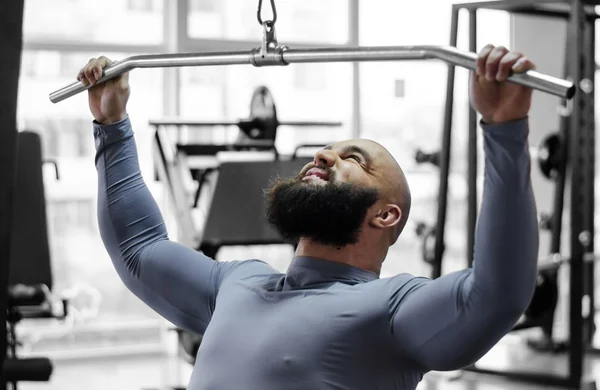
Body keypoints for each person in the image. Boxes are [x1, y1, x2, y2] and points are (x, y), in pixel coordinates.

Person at [79, 44, 539, 390]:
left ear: (385, 214)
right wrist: (111, 125)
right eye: (328, 150)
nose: (321, 155)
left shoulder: (390, 309)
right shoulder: (237, 284)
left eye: (353, 158)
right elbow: (139, 249)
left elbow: (497, 295)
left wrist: (504, 131)